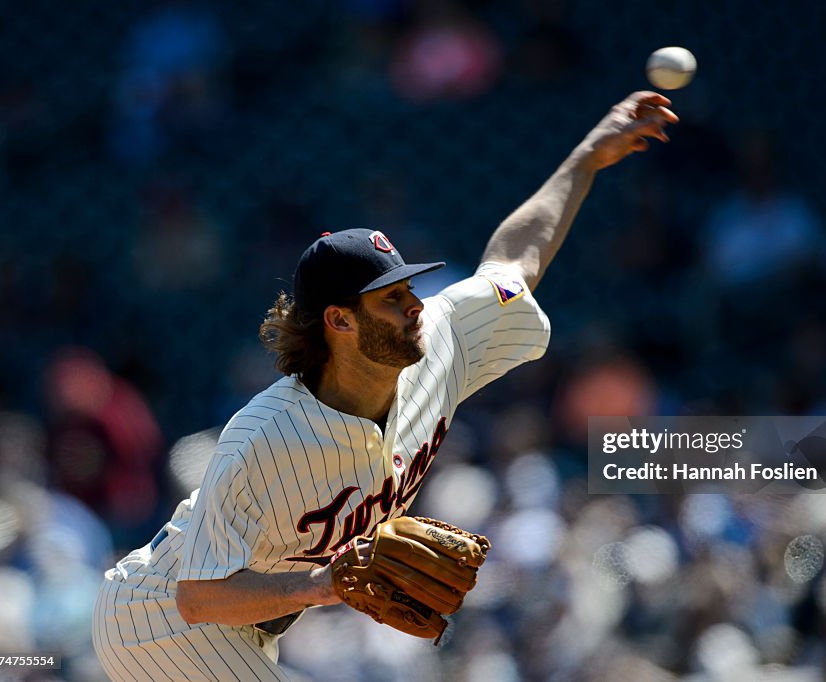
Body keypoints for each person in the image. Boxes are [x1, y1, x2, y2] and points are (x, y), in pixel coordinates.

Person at [92, 91, 677, 681]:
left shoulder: (441, 340)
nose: (415, 308)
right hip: (158, 620)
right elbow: (199, 597)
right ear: (339, 321)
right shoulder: (264, 436)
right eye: (392, 299)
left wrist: (585, 160)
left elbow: (514, 261)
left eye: (410, 291)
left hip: (239, 632)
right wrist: (323, 584)